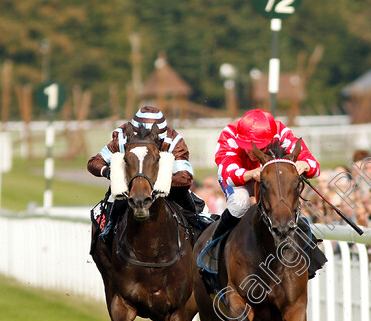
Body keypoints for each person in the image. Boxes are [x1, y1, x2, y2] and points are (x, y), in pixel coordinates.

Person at [207, 109, 325, 282]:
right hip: (239, 176)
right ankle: (214, 249)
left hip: (271, 177)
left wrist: (304, 165)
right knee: (240, 204)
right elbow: (228, 171)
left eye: (257, 148)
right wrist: (251, 174)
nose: (250, 152)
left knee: (285, 204)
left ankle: (308, 253)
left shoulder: (281, 133)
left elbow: (315, 168)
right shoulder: (229, 134)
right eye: (245, 146)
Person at [87, 106, 203, 242]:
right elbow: (94, 162)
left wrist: (160, 182)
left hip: (167, 189)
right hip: (129, 187)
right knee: (112, 203)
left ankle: (198, 230)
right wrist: (111, 172)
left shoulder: (174, 141)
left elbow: (185, 178)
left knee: (193, 206)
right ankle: (108, 230)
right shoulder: (121, 137)